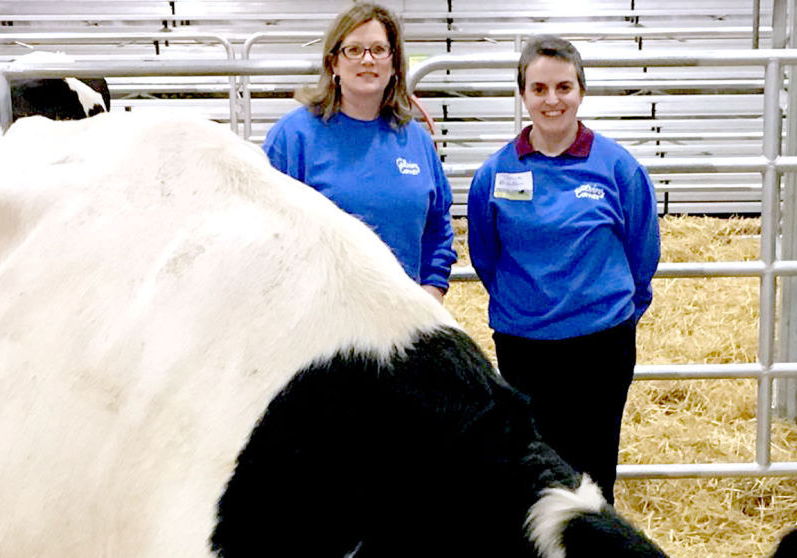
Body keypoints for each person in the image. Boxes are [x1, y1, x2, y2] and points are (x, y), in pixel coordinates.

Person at [466, 37, 659, 502]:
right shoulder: (493, 174)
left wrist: (613, 309)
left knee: (594, 474)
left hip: (600, 345)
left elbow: (643, 252)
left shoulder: (617, 169)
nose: (552, 100)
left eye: (563, 87)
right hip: (523, 347)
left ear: (581, 91)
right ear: (523, 94)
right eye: (539, 88)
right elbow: (485, 255)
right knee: (531, 473)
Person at [262, 4, 453, 301]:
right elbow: (265, 230)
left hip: (403, 319)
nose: (368, 60)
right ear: (333, 64)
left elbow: (438, 226)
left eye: (379, 49)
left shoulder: (417, 140)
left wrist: (432, 288)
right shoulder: (292, 138)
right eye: (354, 50)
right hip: (319, 321)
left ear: (394, 64)